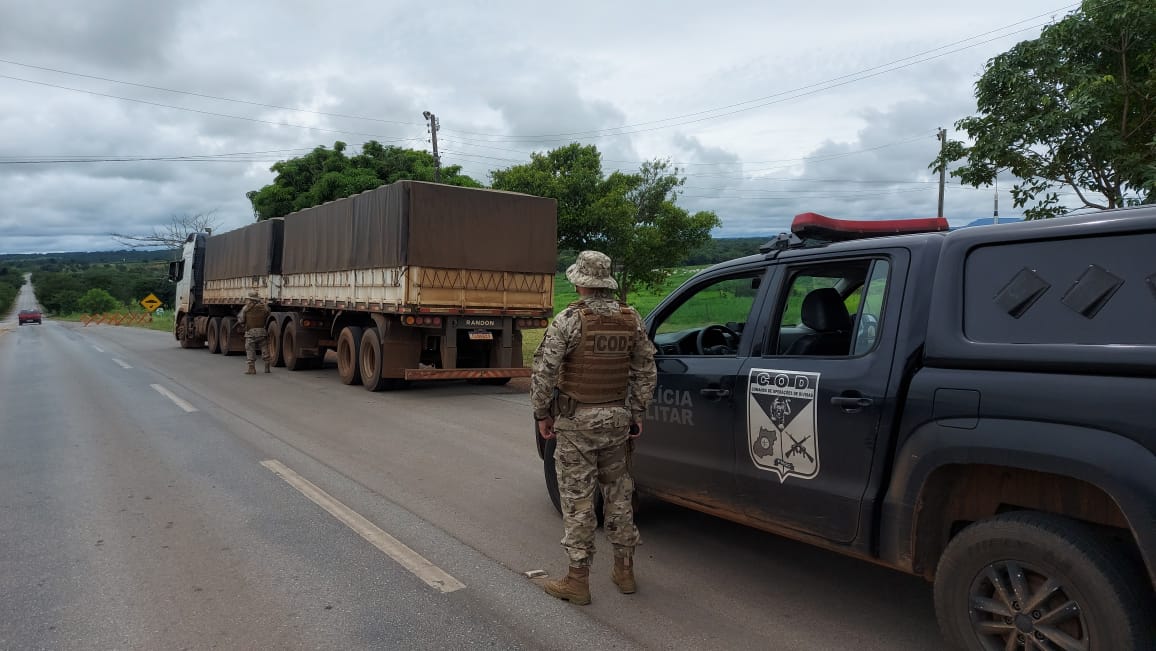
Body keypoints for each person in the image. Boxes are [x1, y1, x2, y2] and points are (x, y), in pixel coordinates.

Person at [531, 250, 657, 605]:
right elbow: (646, 370)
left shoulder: (569, 319)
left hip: (577, 423)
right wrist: (635, 413)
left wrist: (542, 413)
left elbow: (544, 371)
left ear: (579, 282)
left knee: (578, 500)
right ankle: (625, 570)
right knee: (619, 494)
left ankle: (577, 580)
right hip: (617, 420)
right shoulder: (631, 318)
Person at [237, 290, 271, 375]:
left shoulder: (246, 308)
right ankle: (267, 365)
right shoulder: (264, 307)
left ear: (250, 299)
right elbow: (268, 314)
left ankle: (251, 368)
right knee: (264, 348)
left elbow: (241, 320)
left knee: (250, 349)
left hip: (250, 333)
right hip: (262, 332)